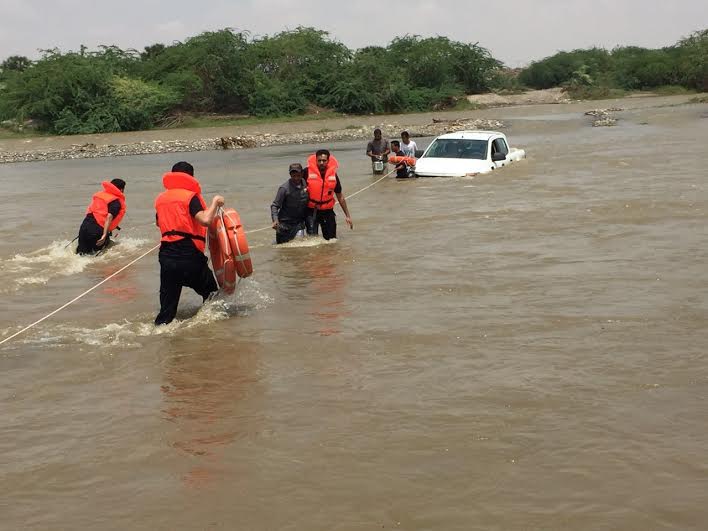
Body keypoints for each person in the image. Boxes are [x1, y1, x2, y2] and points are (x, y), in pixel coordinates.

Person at [154, 161, 225, 325]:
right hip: (188, 254)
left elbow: (159, 223)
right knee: (213, 295)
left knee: (166, 312)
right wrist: (215, 202)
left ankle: (161, 333)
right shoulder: (190, 196)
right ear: (191, 177)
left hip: (166, 255)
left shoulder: (161, 198)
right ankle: (214, 331)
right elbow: (206, 220)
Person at [305, 149, 353, 240]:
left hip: (327, 211)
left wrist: (347, 216)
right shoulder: (306, 172)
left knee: (331, 240)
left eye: (324, 160)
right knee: (312, 240)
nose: (321, 163)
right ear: (316, 160)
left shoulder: (333, 175)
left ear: (328, 161)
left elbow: (340, 196)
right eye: (319, 160)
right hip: (311, 211)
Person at [76, 178, 126, 255]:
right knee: (97, 256)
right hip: (97, 231)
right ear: (121, 189)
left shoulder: (100, 196)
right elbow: (109, 217)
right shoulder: (116, 202)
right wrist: (104, 234)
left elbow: (97, 212)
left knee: (81, 254)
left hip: (84, 226)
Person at [271, 162, 309, 244]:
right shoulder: (284, 188)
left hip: (299, 223)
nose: (296, 178)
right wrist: (275, 220)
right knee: (283, 250)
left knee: (300, 247)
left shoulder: (305, 183)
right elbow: (274, 206)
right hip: (284, 224)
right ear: (290, 175)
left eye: (298, 175)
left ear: (302, 173)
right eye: (293, 176)